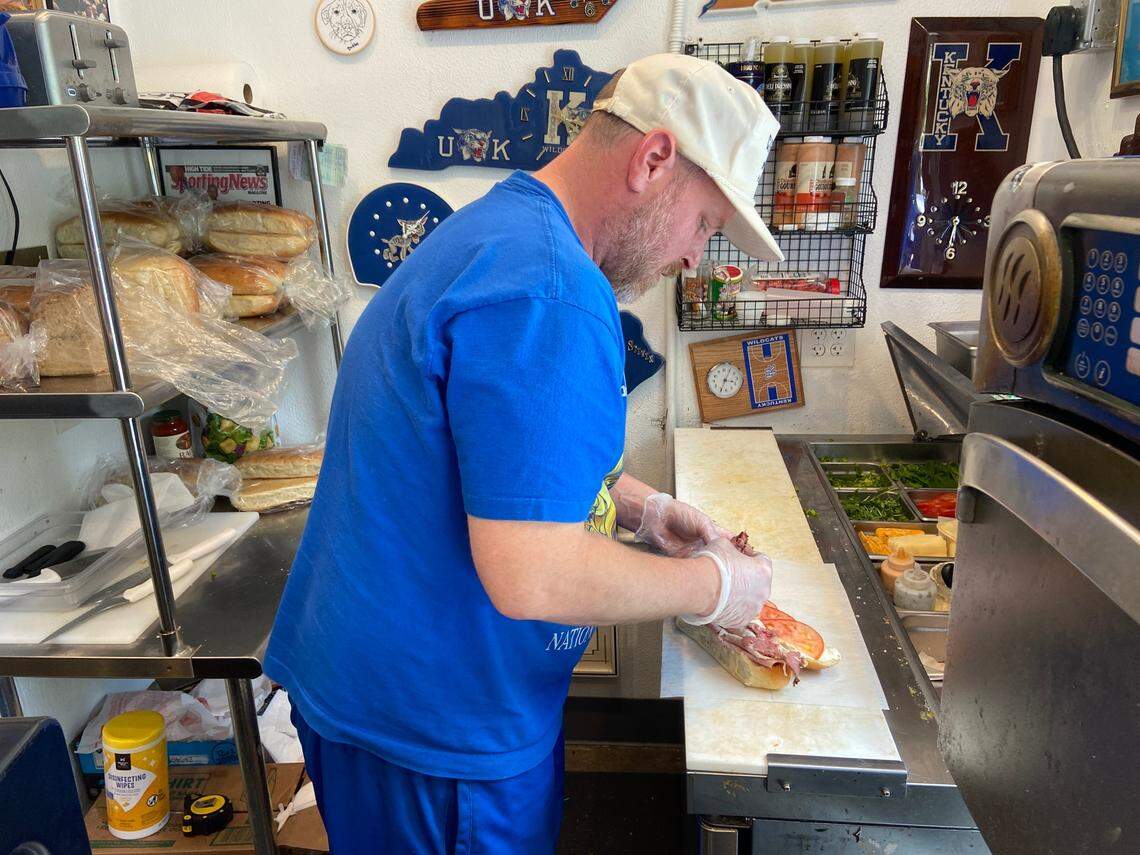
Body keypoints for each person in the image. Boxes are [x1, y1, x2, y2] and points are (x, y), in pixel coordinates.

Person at [266, 52, 784, 853]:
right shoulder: (551, 290)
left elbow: (501, 447)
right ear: (654, 160)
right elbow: (531, 573)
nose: (693, 257)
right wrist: (714, 586)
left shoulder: (499, 230)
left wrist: (642, 509)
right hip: (436, 737)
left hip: (380, 692)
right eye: (705, 225)